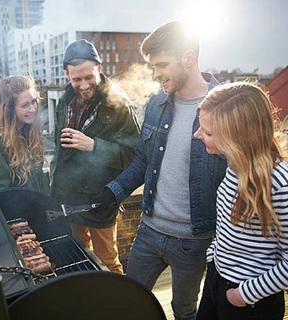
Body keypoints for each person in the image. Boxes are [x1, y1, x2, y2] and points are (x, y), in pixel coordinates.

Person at [91, 21, 227, 320]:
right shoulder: (156, 104)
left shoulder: (225, 107)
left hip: (194, 241)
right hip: (149, 231)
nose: (155, 74)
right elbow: (143, 161)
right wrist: (112, 192)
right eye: (152, 67)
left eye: (162, 64)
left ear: (188, 58)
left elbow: (240, 176)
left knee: (184, 311)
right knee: (128, 301)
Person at [194, 82, 288, 320]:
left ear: (237, 138)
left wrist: (243, 295)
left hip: (250, 301)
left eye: (208, 132)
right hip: (217, 279)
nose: (197, 135)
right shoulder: (234, 165)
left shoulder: (279, 184)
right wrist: (213, 256)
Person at [49, 39, 140, 274]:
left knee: (108, 262)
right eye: (76, 79)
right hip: (68, 199)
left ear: (99, 69)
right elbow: (59, 153)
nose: (84, 84)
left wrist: (93, 145)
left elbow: (135, 155)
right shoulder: (62, 101)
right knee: (78, 257)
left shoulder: (118, 104)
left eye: (89, 77)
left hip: (99, 200)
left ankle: (118, 307)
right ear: (67, 76)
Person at [0, 74, 49, 200]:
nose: (32, 109)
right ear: (9, 109)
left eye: (34, 102)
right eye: (25, 105)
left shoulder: (27, 133)